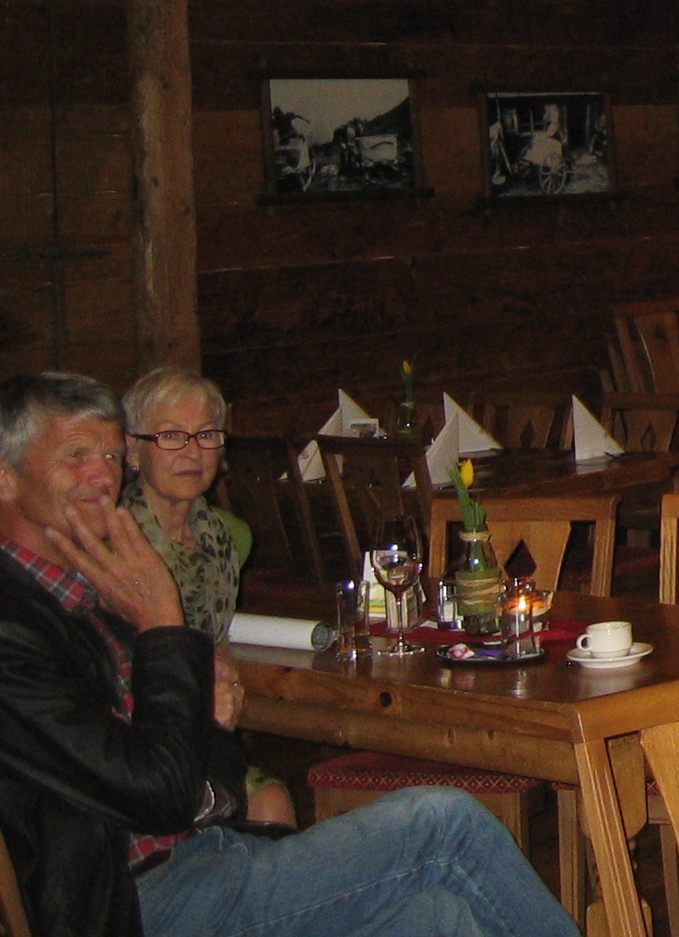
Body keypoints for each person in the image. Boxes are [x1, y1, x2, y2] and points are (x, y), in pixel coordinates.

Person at [0, 372, 580, 937]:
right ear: (5, 479)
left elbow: (208, 765)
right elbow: (159, 794)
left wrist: (200, 712)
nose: (102, 476)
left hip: (207, 853)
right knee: (445, 824)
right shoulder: (16, 630)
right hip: (143, 900)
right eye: (76, 455)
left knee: (436, 917)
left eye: (108, 456)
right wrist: (162, 628)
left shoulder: (86, 592)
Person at [119, 367, 297, 829]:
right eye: (171, 436)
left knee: (271, 801)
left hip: (206, 727)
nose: (193, 452)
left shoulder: (227, 537)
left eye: (206, 435)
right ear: (133, 450)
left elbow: (214, 642)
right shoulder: (115, 544)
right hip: (137, 736)